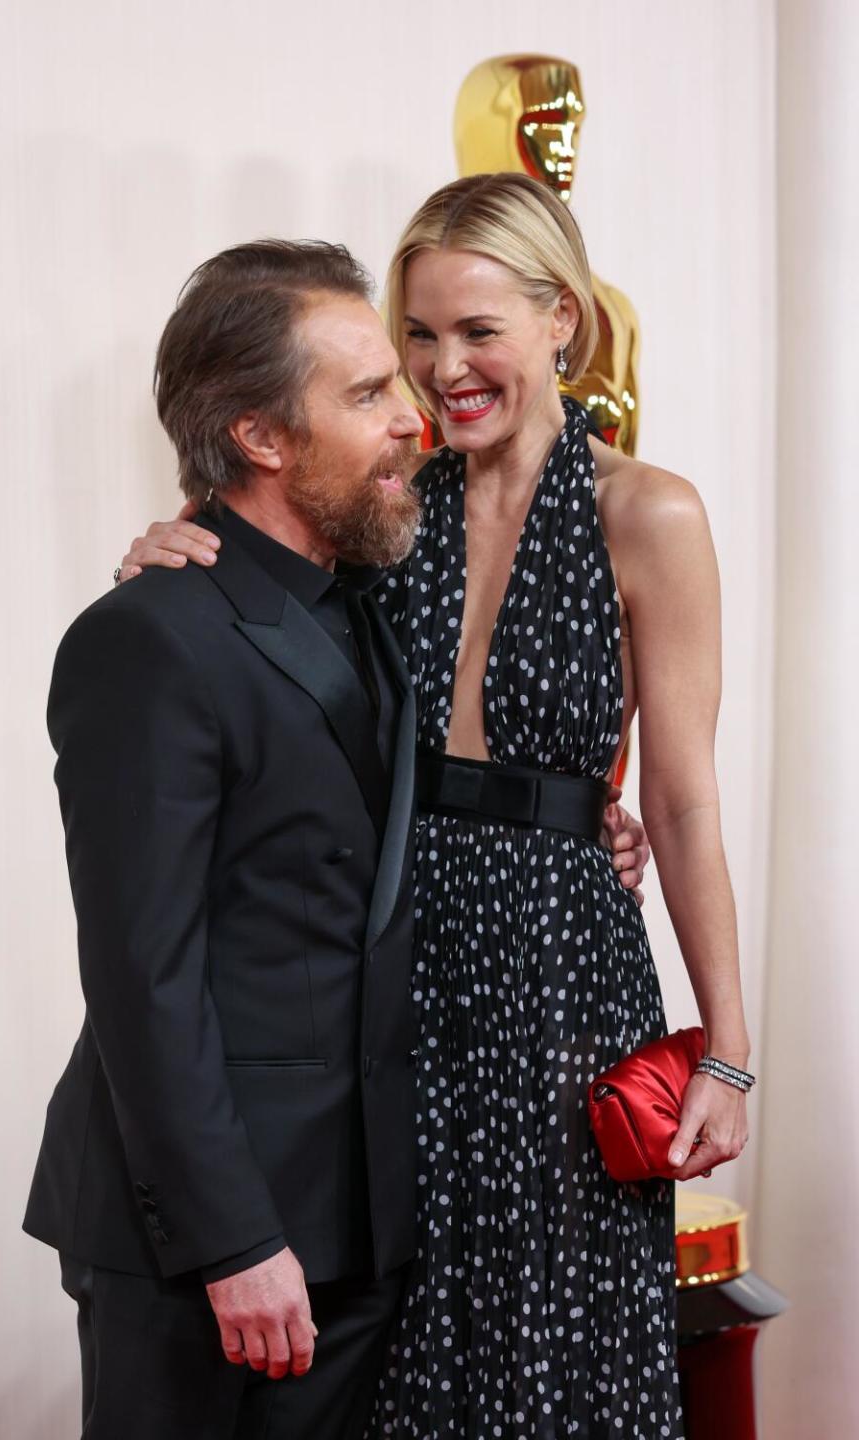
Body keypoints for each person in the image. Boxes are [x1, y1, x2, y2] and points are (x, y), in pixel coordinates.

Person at [118, 175, 736, 1440]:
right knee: (404, 1333)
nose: (440, 369)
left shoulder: (647, 513)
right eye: (416, 334)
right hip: (389, 957)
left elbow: (677, 800)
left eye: (478, 330)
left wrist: (725, 1046)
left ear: (562, 318)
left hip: (561, 973)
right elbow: (258, 584)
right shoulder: (395, 500)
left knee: (554, 1331)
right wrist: (161, 552)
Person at [24, 239, 431, 1440]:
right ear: (261, 436)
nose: (411, 415)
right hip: (207, 1242)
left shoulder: (373, 593)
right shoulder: (150, 637)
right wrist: (234, 1238)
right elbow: (143, 976)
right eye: (366, 393)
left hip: (361, 1216)